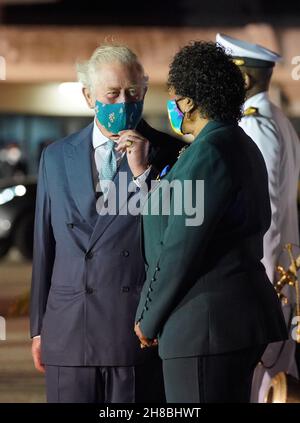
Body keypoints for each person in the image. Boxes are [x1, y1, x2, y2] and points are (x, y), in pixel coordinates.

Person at [30, 44, 185, 403]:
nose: (123, 102)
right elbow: (44, 246)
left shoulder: (172, 153)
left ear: (145, 91)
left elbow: (176, 237)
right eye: (112, 94)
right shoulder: (55, 156)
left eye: (132, 92)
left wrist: (142, 175)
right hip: (68, 329)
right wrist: (39, 329)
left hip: (134, 331)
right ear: (89, 96)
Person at [134, 41, 287, 403]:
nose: (171, 106)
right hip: (227, 323)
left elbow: (180, 249)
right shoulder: (233, 142)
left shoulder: (210, 153)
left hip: (205, 327)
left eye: (173, 97)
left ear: (188, 101)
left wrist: (148, 316)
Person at [217, 33, 300, 402]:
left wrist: (259, 283)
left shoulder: (255, 125)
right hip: (282, 272)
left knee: (262, 382)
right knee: (277, 378)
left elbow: (264, 213)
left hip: (268, 277)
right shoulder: (276, 118)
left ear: (244, 79)